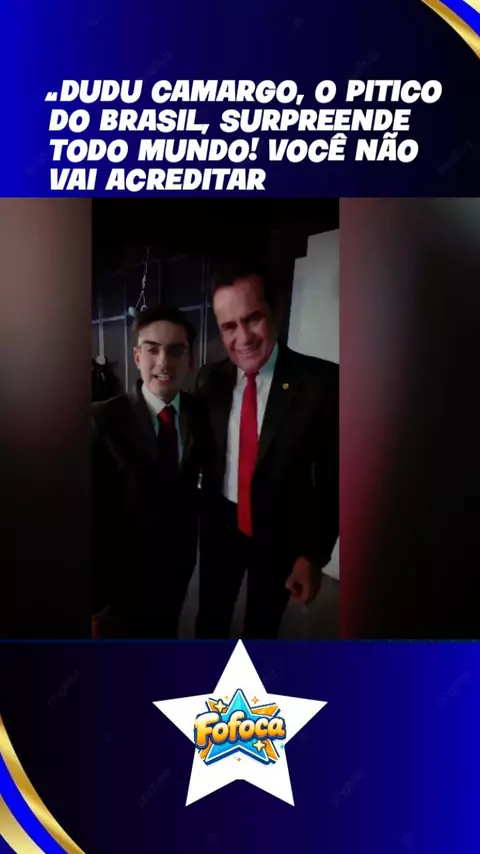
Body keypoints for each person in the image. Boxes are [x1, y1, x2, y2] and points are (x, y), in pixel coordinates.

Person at [195, 261, 339, 639]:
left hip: (279, 532)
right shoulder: (209, 380)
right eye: (229, 326)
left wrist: (313, 555)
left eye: (253, 318)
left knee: (262, 626)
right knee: (209, 619)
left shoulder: (322, 382)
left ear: (277, 310)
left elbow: (334, 481)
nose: (242, 337)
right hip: (220, 526)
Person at [92, 306, 203, 638]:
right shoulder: (102, 420)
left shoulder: (198, 414)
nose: (163, 362)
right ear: (137, 357)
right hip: (120, 580)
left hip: (178, 567)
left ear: (190, 360)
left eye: (176, 351)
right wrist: (93, 602)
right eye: (153, 350)